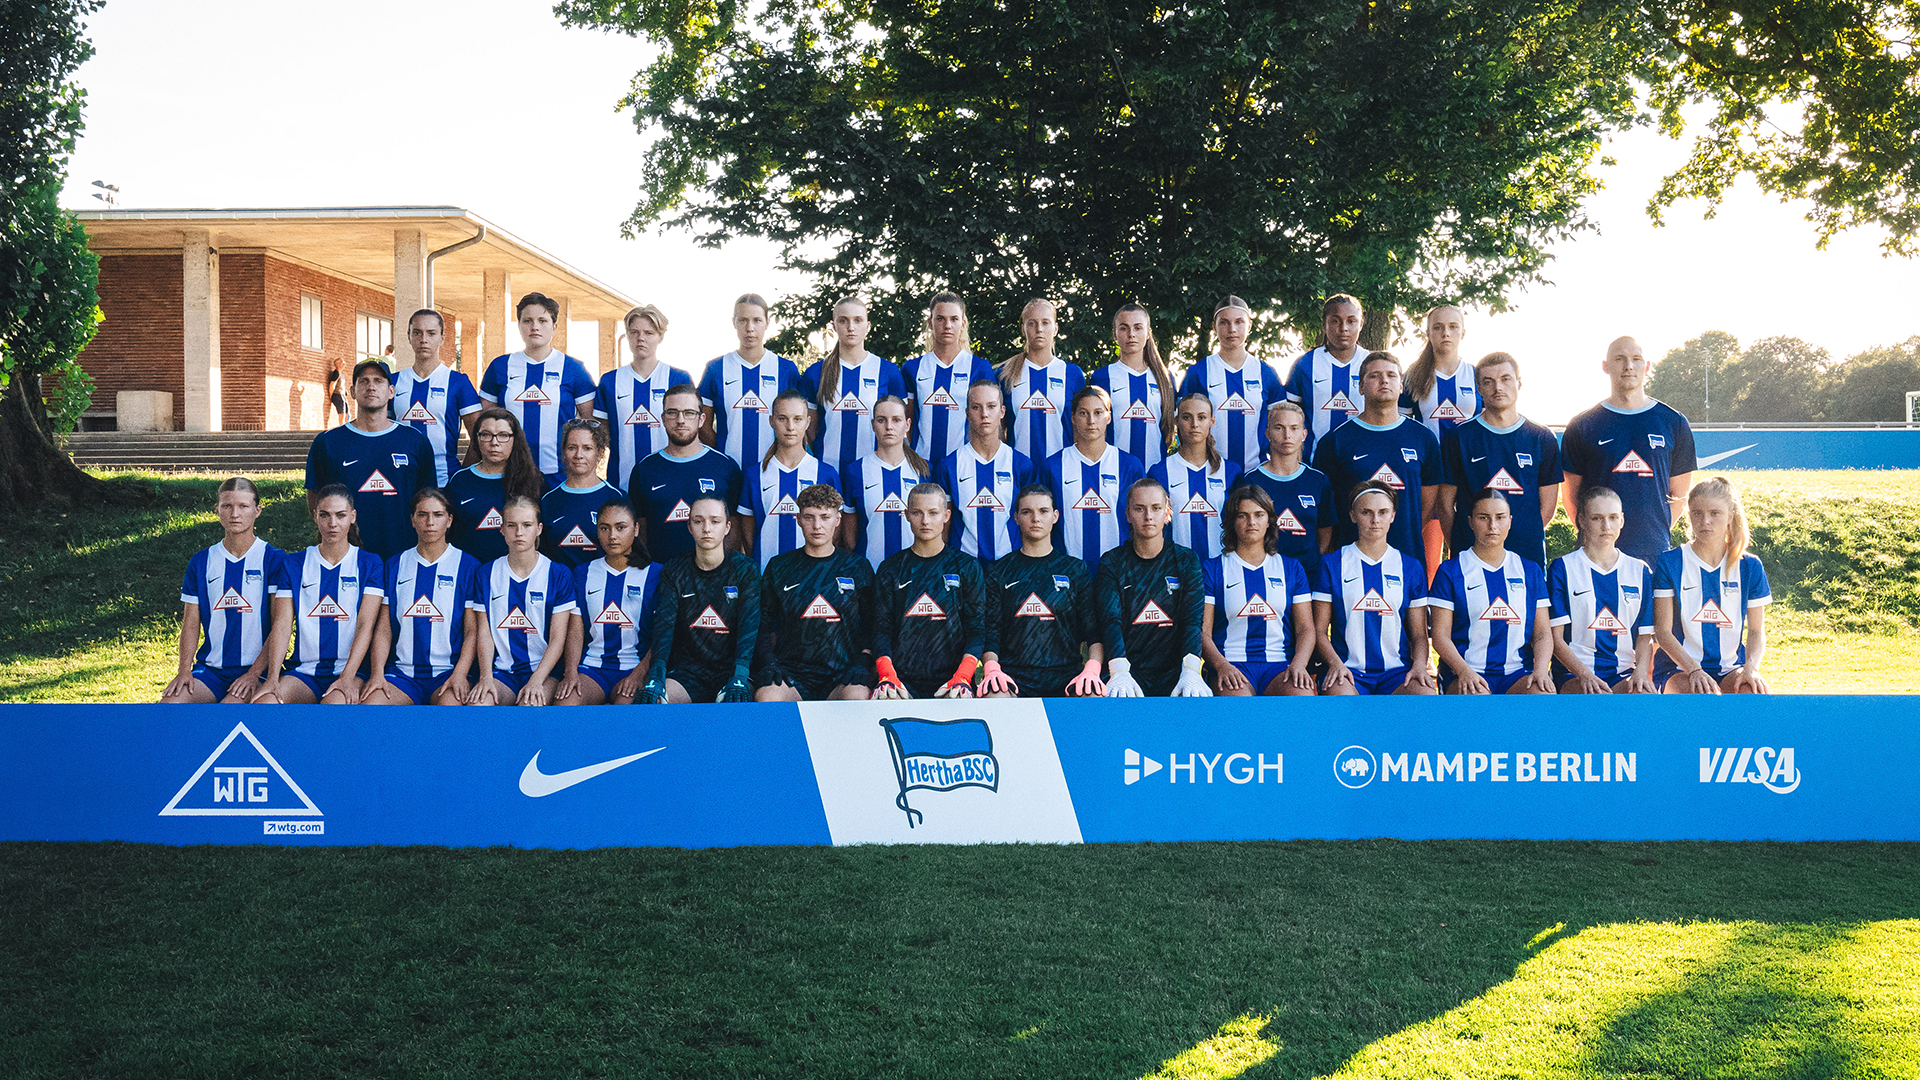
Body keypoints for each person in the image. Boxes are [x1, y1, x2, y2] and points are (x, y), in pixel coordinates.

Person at [1560, 335, 1698, 565]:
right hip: (1596, 555)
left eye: (1636, 359)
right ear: (1605, 366)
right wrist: (1599, 537)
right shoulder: (1583, 425)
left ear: (1647, 366)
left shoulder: (1673, 422)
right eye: (1619, 359)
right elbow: (1571, 499)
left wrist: (1651, 535)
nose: (1628, 366)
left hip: (1654, 552)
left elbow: (1679, 496)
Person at [159, 477, 291, 704]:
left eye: (243, 506)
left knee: (228, 710)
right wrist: (184, 671)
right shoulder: (202, 561)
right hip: (211, 671)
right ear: (217, 510)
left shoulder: (273, 559)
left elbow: (280, 622)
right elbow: (191, 622)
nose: (235, 514)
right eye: (227, 506)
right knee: (170, 703)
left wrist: (253, 674)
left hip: (255, 670)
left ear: (257, 510)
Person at [254, 485, 386, 705]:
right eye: (325, 515)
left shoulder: (370, 563)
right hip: (303, 672)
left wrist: (347, 677)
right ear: (315, 516)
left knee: (332, 707)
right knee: (266, 702)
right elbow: (283, 623)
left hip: (351, 671)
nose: (332, 523)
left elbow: (365, 625)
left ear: (352, 517)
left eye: (340, 515)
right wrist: (272, 679)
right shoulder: (294, 564)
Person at [359, 488, 487, 706]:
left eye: (438, 515)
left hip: (447, 672)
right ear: (412, 520)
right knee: (372, 706)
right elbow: (383, 629)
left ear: (449, 520)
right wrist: (377, 673)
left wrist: (460, 674)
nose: (430, 522)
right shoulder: (395, 565)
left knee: (451, 710)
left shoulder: (468, 566)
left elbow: (472, 631)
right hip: (402, 675)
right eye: (422, 515)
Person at [1310, 351, 1440, 565]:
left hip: (1406, 556)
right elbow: (1325, 507)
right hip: (1350, 559)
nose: (1384, 381)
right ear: (1360, 387)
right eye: (1374, 376)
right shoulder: (1336, 440)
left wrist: (1404, 528)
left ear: (1401, 386)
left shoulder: (1423, 438)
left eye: (1391, 375)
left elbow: (1427, 504)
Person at [1311, 482, 1437, 695]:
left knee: (1423, 695)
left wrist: (1418, 667)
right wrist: (1335, 664)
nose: (1375, 520)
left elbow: (1418, 634)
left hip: (1397, 672)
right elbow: (1319, 630)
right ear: (1353, 515)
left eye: (1383, 512)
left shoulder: (1410, 566)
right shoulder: (1333, 563)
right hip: (1347, 669)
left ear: (1393, 516)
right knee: (1341, 699)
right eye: (1366, 512)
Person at [980, 485, 1106, 698]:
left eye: (1043, 511)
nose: (1035, 518)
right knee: (994, 697)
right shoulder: (999, 571)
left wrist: (1092, 670)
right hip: (1014, 679)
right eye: (1027, 512)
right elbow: (991, 633)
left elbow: (1094, 633)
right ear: (1016, 518)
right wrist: (992, 669)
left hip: (1067, 678)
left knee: (1093, 696)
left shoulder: (1075, 569)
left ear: (1055, 516)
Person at [1438, 352, 1561, 567]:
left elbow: (1547, 508)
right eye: (1489, 381)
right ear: (1478, 389)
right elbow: (1445, 505)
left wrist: (1523, 535)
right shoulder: (1459, 437)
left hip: (1525, 557)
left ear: (1519, 383)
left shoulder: (1541, 437)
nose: (1498, 388)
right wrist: (1460, 543)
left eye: (1505, 379)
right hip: (1470, 556)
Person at [1427, 488, 1556, 695]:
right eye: (1483, 517)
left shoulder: (1529, 571)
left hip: (1517, 673)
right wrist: (1464, 671)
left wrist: (1541, 671)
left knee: (1541, 696)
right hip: (1466, 670)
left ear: (1510, 521)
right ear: (1470, 521)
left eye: (1500, 517)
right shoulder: (1451, 571)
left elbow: (1542, 633)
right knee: (1479, 702)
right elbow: (1440, 636)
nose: (1492, 526)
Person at [304, 358, 435, 558]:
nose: (371, 387)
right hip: (346, 557)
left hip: (404, 554)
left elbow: (427, 499)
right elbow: (315, 498)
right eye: (363, 381)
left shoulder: (415, 441)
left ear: (391, 391)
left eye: (378, 381)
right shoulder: (328, 442)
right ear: (353, 391)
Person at [753, 484, 874, 701]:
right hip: (791, 674)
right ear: (798, 519)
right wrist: (768, 661)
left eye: (825, 517)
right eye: (809, 517)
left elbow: (872, 624)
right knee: (768, 696)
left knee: (857, 696)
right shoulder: (779, 567)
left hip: (842, 674)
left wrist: (863, 662)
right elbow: (763, 623)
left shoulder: (857, 567)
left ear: (837, 520)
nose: (817, 526)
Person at [1653, 476, 1771, 694]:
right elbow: (1663, 631)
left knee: (1752, 693)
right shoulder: (1670, 562)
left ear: (1730, 516)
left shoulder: (1749, 566)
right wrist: (1694, 670)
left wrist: (1751, 668)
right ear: (1689, 515)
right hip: (1679, 668)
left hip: (1730, 668)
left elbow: (1756, 630)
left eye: (1714, 513)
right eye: (1697, 513)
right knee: (1701, 695)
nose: (1705, 521)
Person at [1096, 478, 1212, 697]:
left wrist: (1190, 671)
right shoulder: (1112, 562)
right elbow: (1111, 620)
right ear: (1128, 514)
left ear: (1167, 514)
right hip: (1127, 672)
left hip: (1175, 674)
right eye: (1139, 509)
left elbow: (1193, 620)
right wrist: (1119, 670)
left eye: (1156, 508)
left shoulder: (1186, 560)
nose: (1148, 516)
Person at [639, 496, 760, 704]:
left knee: (735, 701)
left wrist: (739, 674)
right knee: (655, 701)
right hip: (688, 672)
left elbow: (749, 628)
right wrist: (656, 676)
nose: (706, 528)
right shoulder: (674, 570)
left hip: (730, 671)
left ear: (727, 527)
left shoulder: (746, 569)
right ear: (689, 527)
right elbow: (664, 627)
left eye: (715, 521)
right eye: (698, 521)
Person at [871, 484, 986, 699]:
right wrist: (887, 675)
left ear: (946, 515)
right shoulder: (890, 568)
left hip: (953, 682)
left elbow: (977, 628)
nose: (925, 521)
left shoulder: (967, 566)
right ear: (906, 515)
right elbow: (881, 629)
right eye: (917, 513)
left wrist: (963, 676)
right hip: (901, 682)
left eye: (933, 513)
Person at [1202, 486, 1317, 696]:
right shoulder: (1213, 569)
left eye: (1258, 515)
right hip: (1232, 663)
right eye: (1242, 516)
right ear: (1231, 522)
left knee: (1301, 694)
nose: (1251, 522)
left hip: (1279, 666)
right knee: (1239, 706)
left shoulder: (1291, 569)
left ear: (1269, 521)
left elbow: (1306, 629)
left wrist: (1299, 665)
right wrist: (1221, 666)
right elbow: (1202, 631)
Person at [478, 292, 597, 487]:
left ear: (554, 326)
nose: (535, 327)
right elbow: (485, 421)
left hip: (559, 475)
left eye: (542, 320)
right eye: (528, 321)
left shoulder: (573, 368)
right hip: (509, 473)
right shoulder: (500, 367)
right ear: (519, 326)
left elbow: (591, 424)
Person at [467, 496, 577, 706]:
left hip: (545, 673)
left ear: (539, 529)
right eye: (512, 525)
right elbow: (484, 631)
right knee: (478, 706)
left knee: (530, 707)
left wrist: (536, 681)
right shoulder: (486, 573)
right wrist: (486, 676)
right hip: (503, 673)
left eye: (526, 525)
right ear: (502, 529)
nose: (519, 532)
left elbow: (557, 638)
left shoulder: (558, 574)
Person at [1549, 485, 1656, 694]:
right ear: (1582, 520)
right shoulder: (1563, 568)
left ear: (1622, 520)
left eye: (1613, 518)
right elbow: (1556, 639)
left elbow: (1644, 637)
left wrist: (1640, 673)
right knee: (1595, 696)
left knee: (1643, 697)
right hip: (1574, 674)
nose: (1606, 526)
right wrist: (1584, 674)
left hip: (1623, 673)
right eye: (1597, 518)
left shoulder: (1639, 571)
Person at [557, 498, 662, 706]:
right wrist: (570, 673)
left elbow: (662, 634)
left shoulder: (656, 574)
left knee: (626, 707)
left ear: (636, 528)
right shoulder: (582, 573)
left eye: (620, 527)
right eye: (604, 528)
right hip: (592, 668)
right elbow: (576, 631)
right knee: (566, 703)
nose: (612, 536)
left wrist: (639, 674)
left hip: (635, 666)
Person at [627, 384, 745, 564]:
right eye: (672, 412)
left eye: (689, 413)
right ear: (663, 419)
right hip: (661, 578)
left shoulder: (725, 467)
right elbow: (640, 530)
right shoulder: (644, 469)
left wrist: (720, 570)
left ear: (701, 419)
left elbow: (735, 527)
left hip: (712, 579)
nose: (680, 420)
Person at [936, 379, 1049, 565]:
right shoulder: (949, 466)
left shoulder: (1021, 465)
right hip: (963, 567)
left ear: (1002, 412)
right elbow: (944, 526)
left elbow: (1030, 524)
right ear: (967, 413)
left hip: (1011, 567)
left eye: (991, 406)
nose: (984, 414)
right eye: (976, 407)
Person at [1402, 304, 1478, 573]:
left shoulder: (1476, 375)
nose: (1446, 333)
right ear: (1428, 333)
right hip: (1429, 475)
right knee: (1429, 562)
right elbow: (1400, 426)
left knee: (1467, 551)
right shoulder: (1413, 375)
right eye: (1438, 327)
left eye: (1452, 327)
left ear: (1463, 332)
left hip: (1468, 472)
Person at [799, 296, 906, 474]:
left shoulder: (888, 371)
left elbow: (899, 424)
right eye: (843, 321)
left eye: (858, 320)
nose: (851, 327)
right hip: (828, 469)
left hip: (873, 470)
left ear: (868, 326)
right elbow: (811, 428)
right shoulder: (816, 373)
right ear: (834, 326)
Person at [697, 292, 801, 473]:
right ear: (734, 322)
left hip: (775, 469)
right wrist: (722, 456)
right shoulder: (716, 369)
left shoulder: (785, 369)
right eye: (743, 320)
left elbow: (799, 423)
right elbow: (702, 424)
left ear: (767, 323)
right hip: (727, 471)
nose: (750, 328)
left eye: (757, 320)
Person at [594, 303, 695, 488]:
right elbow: (601, 435)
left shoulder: (678, 378)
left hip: (672, 480)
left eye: (649, 333)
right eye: (634, 332)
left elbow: (691, 432)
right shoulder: (609, 381)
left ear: (660, 337)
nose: (641, 338)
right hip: (622, 483)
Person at [1178, 296, 1284, 471]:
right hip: (1209, 471)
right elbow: (1183, 426)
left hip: (1255, 473)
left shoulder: (1266, 373)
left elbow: (1280, 426)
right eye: (1224, 323)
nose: (1232, 329)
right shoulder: (1198, 373)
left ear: (1249, 326)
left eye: (1239, 322)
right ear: (1214, 327)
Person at [740, 389, 844, 568]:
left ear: (807, 422)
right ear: (772, 421)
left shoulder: (826, 473)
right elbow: (748, 535)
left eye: (797, 419)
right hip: (767, 574)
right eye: (782, 418)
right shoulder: (754, 475)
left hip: (813, 574)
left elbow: (834, 529)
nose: (790, 427)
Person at [1047, 385, 1145, 573]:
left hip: (1118, 572)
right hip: (1066, 572)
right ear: (1073, 417)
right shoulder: (1052, 467)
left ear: (1108, 417)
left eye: (1098, 412)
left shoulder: (1130, 465)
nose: (1091, 420)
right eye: (1084, 413)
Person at [392, 309, 484, 487]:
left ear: (442, 337)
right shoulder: (393, 382)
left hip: (444, 482)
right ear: (409, 336)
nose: (423, 339)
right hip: (401, 482)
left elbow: (480, 435)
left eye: (431, 333)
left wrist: (462, 476)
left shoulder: (458, 382)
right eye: (417, 332)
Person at [902, 291, 994, 464]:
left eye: (954, 319)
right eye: (940, 319)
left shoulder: (979, 368)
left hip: (963, 465)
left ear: (963, 323)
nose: (947, 325)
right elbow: (906, 421)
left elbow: (989, 422)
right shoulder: (912, 369)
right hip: (922, 465)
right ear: (930, 323)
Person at [445, 406, 544, 565]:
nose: (494, 442)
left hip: (516, 575)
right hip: (469, 574)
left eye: (503, 435)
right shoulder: (460, 480)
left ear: (515, 439)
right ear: (476, 438)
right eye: (486, 435)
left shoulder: (533, 480)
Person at [841, 395, 932, 568]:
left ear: (907, 425)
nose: (889, 427)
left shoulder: (925, 470)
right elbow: (850, 533)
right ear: (873, 425)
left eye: (896, 420)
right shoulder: (854, 471)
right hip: (870, 572)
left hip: (915, 571)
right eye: (882, 420)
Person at [1149, 393, 1242, 560]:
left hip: (1221, 568)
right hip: (1174, 566)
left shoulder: (1231, 471)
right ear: (1176, 421)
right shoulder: (1160, 472)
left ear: (1211, 421)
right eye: (1186, 417)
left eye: (1201, 417)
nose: (1194, 424)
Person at [1240, 401, 1335, 565]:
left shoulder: (1318, 480)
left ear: (1304, 434)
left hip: (1308, 576)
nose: (1287, 435)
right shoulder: (1251, 480)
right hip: (1265, 572)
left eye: (1294, 428)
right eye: (1279, 428)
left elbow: (1325, 532)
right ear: (1268, 433)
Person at [1282, 294, 1368, 462]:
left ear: (1361, 324)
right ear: (1324, 324)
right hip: (1313, 462)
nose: (1343, 328)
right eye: (1335, 321)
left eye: (1351, 321)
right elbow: (1290, 416)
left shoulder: (1372, 364)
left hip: (1362, 461)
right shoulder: (1305, 365)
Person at [999, 299, 1084, 463]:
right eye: (1032, 323)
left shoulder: (1072, 374)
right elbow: (999, 429)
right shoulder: (1005, 373)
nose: (1039, 329)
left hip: (1062, 469)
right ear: (1023, 329)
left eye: (1045, 323)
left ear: (1055, 328)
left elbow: (1079, 429)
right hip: (1018, 470)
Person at [1092, 302, 1174, 469]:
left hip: (1154, 474)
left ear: (1148, 333)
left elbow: (1170, 429)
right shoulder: (1101, 377)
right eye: (1123, 328)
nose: (1131, 334)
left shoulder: (1165, 378)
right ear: (1114, 334)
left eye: (1138, 328)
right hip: (1112, 472)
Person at [540, 418, 621, 570]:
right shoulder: (548, 500)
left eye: (587, 448)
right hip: (561, 590)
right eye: (572, 447)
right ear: (563, 452)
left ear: (600, 452)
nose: (579, 455)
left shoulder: (616, 497)